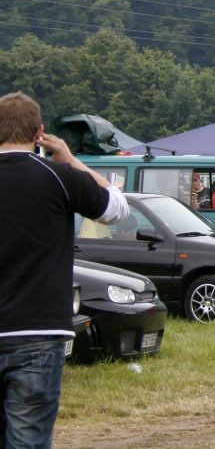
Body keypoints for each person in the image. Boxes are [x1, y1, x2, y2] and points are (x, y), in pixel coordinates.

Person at [0, 91, 130, 447]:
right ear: (39, 132)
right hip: (39, 330)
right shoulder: (59, 176)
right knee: (27, 439)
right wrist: (71, 160)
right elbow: (117, 208)